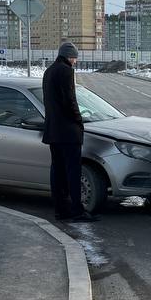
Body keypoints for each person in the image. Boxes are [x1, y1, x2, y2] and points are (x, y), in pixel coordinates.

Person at [42, 42, 96, 221]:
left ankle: (60, 209)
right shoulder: (66, 71)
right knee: (73, 172)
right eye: (74, 57)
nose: (75, 61)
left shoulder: (49, 71)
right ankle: (77, 210)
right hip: (68, 131)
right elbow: (70, 99)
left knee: (57, 171)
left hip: (53, 131)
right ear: (69, 56)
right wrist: (78, 120)